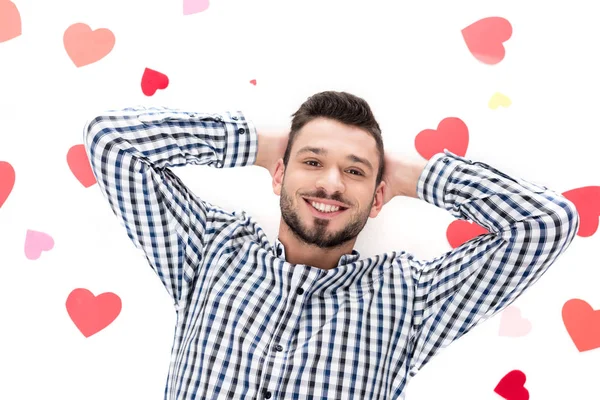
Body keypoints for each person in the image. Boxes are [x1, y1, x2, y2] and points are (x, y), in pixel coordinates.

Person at [82, 91, 579, 400]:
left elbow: (547, 223)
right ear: (279, 173)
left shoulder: (409, 300)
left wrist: (409, 175)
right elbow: (111, 141)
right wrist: (259, 146)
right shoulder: (208, 252)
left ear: (379, 195)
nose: (332, 184)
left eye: (356, 172)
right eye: (313, 163)